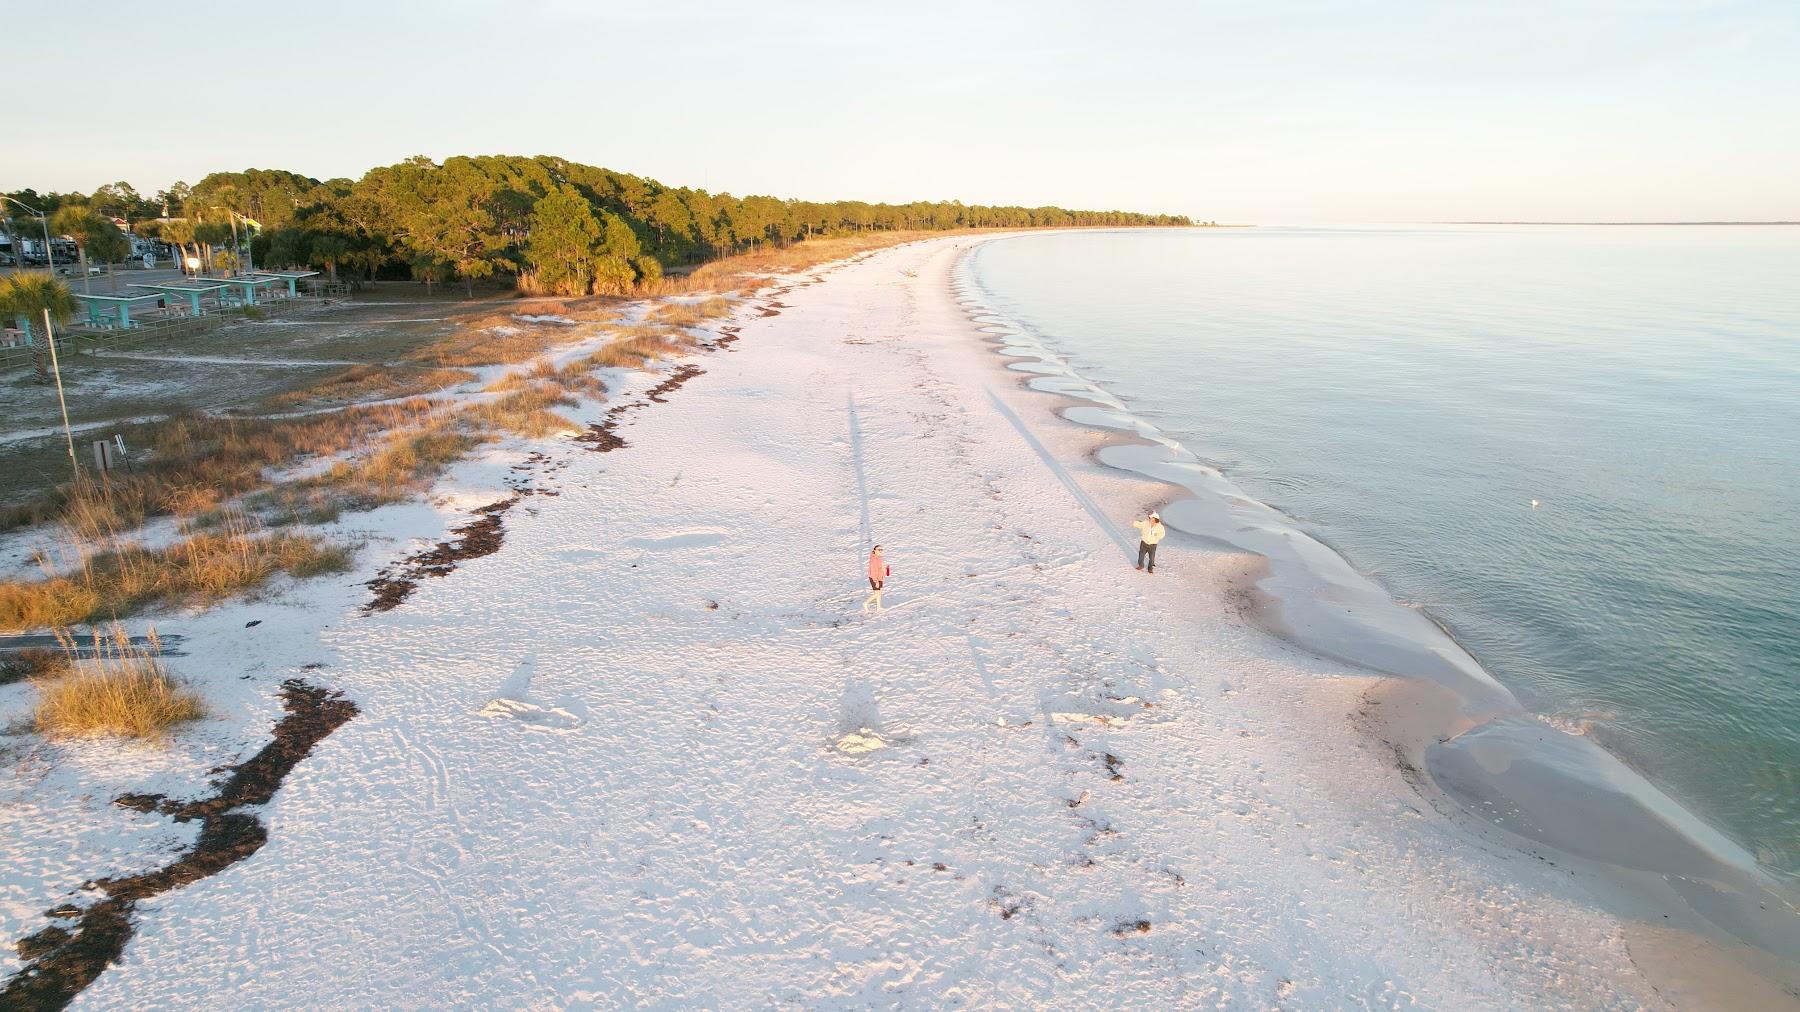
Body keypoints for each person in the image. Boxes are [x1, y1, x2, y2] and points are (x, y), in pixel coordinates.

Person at [863, 544, 891, 613]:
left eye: (881, 550)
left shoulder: (879, 558)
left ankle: (878, 608)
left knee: (879, 593)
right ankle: (865, 604)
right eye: (879, 550)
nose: (880, 551)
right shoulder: (873, 560)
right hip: (874, 578)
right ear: (874, 550)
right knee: (876, 594)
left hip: (880, 578)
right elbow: (873, 572)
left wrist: (887, 568)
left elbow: (884, 571)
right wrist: (876, 581)